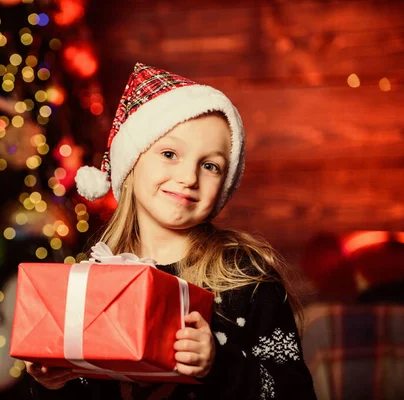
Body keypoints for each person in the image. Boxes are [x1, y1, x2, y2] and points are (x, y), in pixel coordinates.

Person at [24, 62, 316, 399]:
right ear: (131, 162)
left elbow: (296, 392)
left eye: (210, 166)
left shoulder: (245, 277)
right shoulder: (92, 280)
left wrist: (218, 366)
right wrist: (51, 384)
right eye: (169, 153)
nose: (189, 178)